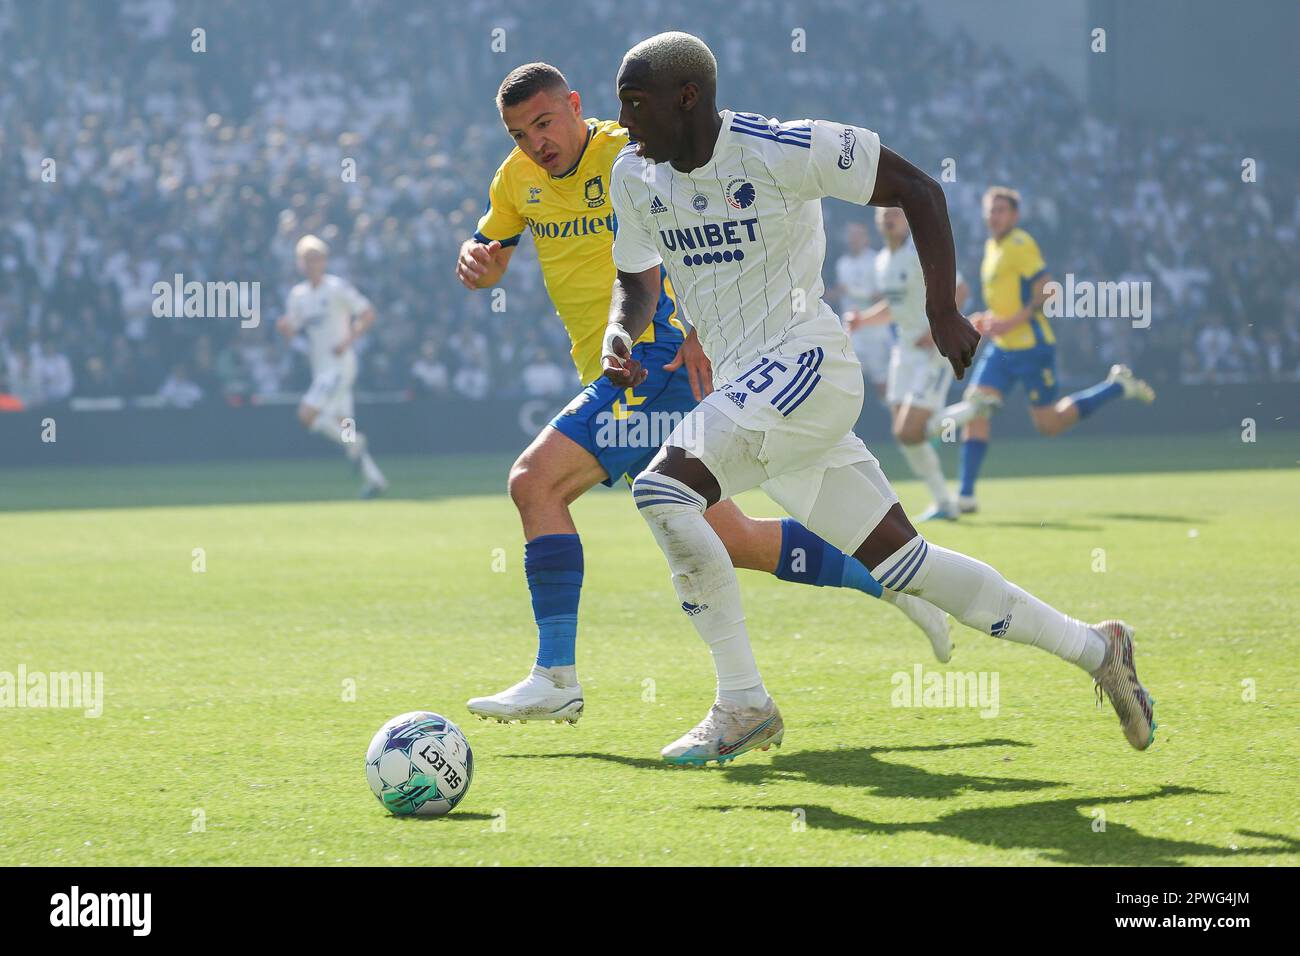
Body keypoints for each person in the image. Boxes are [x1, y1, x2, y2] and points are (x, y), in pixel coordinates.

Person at [602, 32, 1156, 765]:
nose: (624, 122)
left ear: (688, 97)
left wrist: (942, 310)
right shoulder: (633, 174)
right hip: (754, 391)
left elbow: (918, 188)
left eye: (635, 105)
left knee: (663, 489)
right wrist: (620, 332)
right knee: (906, 564)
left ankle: (742, 703)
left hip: (805, 362)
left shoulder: (780, 148)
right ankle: (1099, 648)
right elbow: (638, 281)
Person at [456, 62, 953, 725]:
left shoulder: (628, 154)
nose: (534, 143)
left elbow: (700, 221)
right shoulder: (516, 180)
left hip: (653, 360)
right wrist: (479, 263)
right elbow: (493, 248)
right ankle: (895, 577)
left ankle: (556, 676)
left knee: (534, 482)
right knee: (740, 540)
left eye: (544, 123)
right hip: (610, 366)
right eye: (520, 134)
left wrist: (696, 328)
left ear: (575, 107)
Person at [943, 187, 1155, 513]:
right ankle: (966, 495)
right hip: (1002, 348)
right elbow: (1007, 298)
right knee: (976, 406)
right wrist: (988, 319)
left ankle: (1115, 387)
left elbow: (1047, 290)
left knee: (1049, 425)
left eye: (1001, 210)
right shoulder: (991, 247)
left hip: (1032, 348)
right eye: (990, 210)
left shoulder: (1019, 243)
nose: (994, 216)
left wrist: (1012, 321)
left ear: (1014, 216)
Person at [850, 206, 969, 519]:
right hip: (902, 353)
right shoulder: (881, 261)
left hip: (931, 352)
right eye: (884, 215)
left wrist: (937, 328)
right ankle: (944, 502)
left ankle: (972, 410)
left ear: (906, 220)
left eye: (896, 214)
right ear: (878, 223)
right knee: (906, 434)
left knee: (910, 430)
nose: (889, 218)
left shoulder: (922, 252)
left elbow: (960, 289)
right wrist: (863, 320)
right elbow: (895, 305)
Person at [277, 235, 387, 498]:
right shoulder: (298, 296)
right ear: (299, 263)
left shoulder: (336, 288)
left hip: (339, 366)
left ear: (324, 261)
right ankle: (375, 480)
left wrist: (348, 340)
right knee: (343, 426)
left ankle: (358, 444)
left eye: (315, 258)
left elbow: (368, 314)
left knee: (307, 415)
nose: (311, 264)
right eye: (305, 259)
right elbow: (294, 333)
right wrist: (285, 331)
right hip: (321, 368)